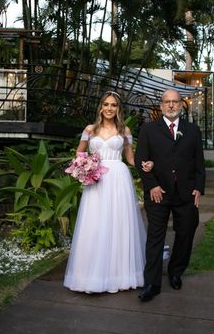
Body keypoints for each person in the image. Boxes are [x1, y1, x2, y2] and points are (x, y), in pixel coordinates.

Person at [63, 91, 152, 293]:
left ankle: (120, 275)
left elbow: (130, 158)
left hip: (119, 178)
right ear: (101, 107)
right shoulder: (90, 129)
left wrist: (143, 164)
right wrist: (84, 166)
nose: (110, 108)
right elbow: (79, 152)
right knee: (94, 224)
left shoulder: (124, 130)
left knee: (119, 223)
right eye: (106, 104)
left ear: (118, 109)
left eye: (114, 105)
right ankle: (91, 276)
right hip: (96, 179)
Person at [134, 88, 206, 301]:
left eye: (175, 102)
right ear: (161, 105)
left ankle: (176, 272)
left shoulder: (192, 130)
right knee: (155, 237)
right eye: (167, 102)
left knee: (186, 233)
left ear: (181, 105)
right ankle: (152, 284)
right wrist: (152, 185)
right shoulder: (148, 129)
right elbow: (141, 161)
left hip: (186, 193)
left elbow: (199, 162)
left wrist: (199, 187)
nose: (171, 105)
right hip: (159, 193)